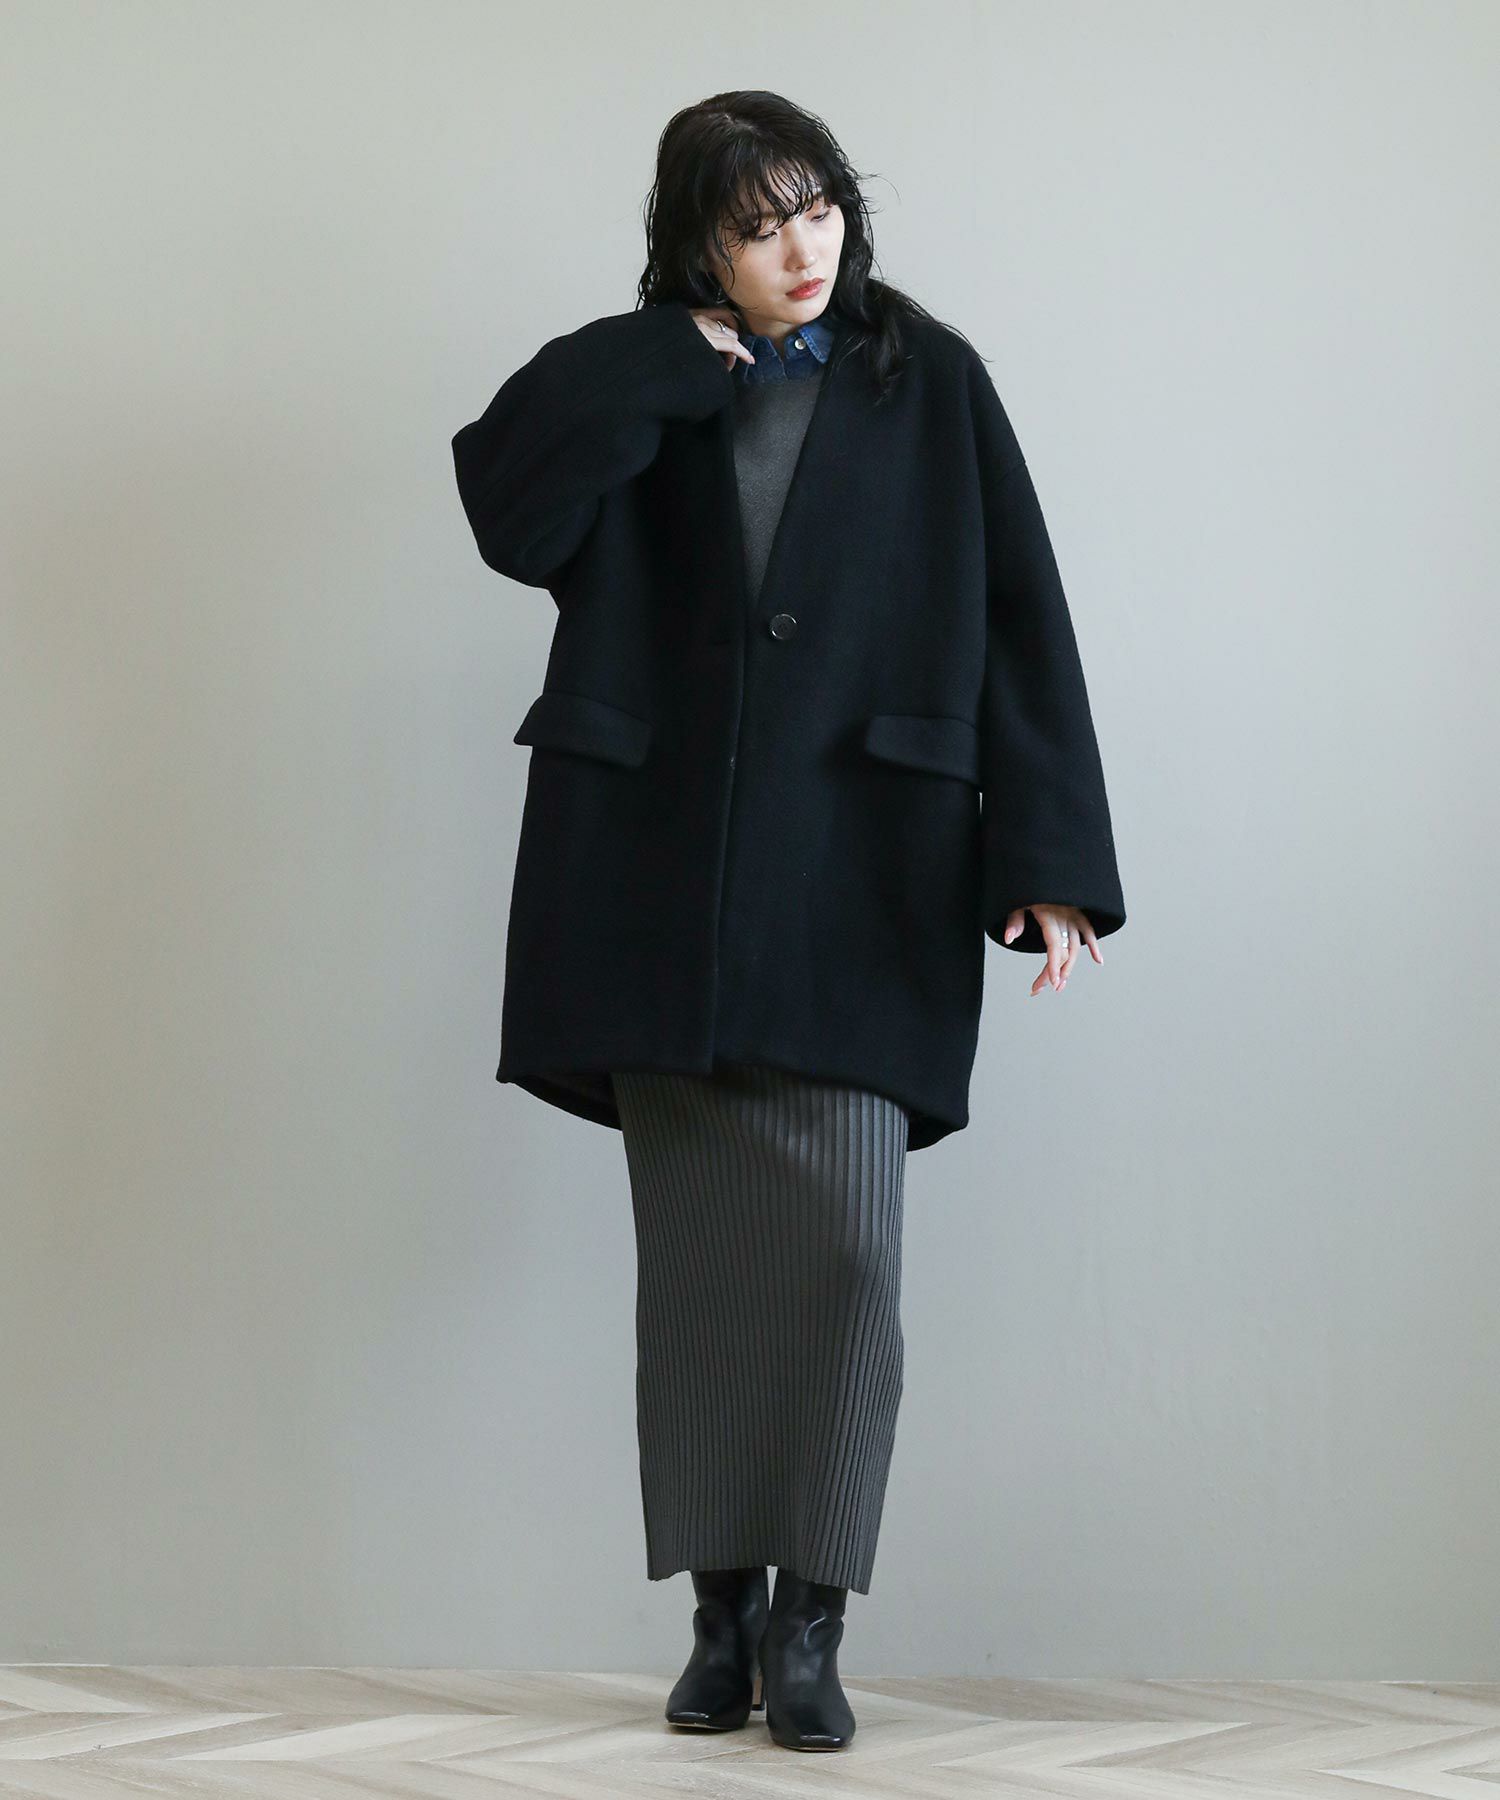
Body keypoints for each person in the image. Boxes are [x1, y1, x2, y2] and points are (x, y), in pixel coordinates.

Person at [450, 89, 1126, 1753]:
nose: (801, 248)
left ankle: (812, 1623)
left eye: (817, 207)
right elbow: (508, 511)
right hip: (659, 880)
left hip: (862, 875)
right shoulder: (647, 383)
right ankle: (720, 1615)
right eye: (755, 227)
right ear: (698, 248)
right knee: (698, 1278)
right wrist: (663, 356)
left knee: (845, 1264)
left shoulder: (928, 380)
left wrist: (1046, 857)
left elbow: (1021, 613)